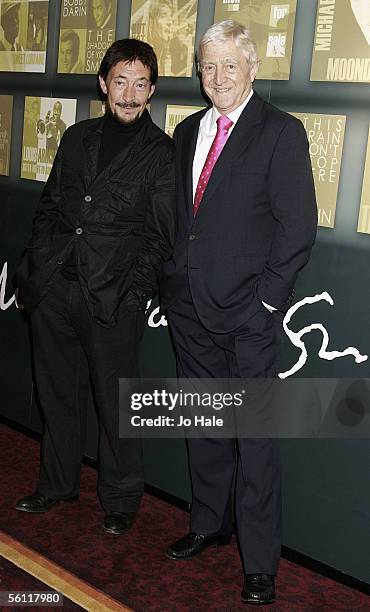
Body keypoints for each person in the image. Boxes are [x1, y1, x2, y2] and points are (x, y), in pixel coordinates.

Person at [160, 20, 317, 605]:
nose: (219, 77)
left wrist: (267, 304)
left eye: (230, 64)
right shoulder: (185, 131)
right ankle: (208, 524)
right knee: (204, 426)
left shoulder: (281, 132)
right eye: (209, 66)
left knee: (254, 438)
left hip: (250, 313)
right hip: (190, 309)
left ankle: (260, 561)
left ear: (252, 69)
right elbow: (185, 220)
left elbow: (297, 228)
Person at [15, 39, 176, 536]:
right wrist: (37, 266)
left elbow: (159, 235)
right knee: (56, 394)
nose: (129, 95)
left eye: (141, 84)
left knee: (116, 406)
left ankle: (122, 496)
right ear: (103, 85)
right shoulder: (76, 136)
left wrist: (133, 295)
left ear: (151, 91)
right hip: (56, 289)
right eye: (120, 82)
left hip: (111, 298)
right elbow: (49, 206)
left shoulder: (162, 152)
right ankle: (57, 482)